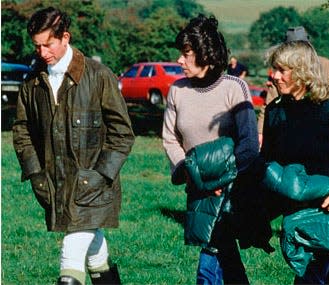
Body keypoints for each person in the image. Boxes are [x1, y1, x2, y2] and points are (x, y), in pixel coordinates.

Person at [12, 7, 134, 285]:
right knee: (93, 252)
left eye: (48, 44)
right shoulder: (32, 82)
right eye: (37, 46)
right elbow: (22, 131)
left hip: (95, 187)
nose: (42, 52)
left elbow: (123, 133)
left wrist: (101, 175)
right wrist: (36, 174)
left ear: (65, 37)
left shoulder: (99, 75)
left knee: (71, 256)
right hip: (54, 186)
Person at [261, 40, 329, 284]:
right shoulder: (275, 113)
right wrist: (258, 214)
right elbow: (267, 164)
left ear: (302, 72)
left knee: (311, 275)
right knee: (322, 274)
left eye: (282, 70)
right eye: (274, 69)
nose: (274, 76)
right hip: (294, 212)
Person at [161, 15, 258, 285]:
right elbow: (170, 139)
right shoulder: (177, 90)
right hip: (197, 189)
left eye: (186, 53)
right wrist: (195, 178)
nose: (179, 60)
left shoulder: (234, 88)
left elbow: (249, 145)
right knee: (224, 255)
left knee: (211, 258)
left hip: (232, 191)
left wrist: (218, 181)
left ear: (206, 54)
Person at [258, 26, 329, 141]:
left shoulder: (324, 64)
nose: (276, 75)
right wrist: (260, 131)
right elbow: (269, 102)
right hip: (286, 119)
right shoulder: (280, 72)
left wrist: (316, 98)